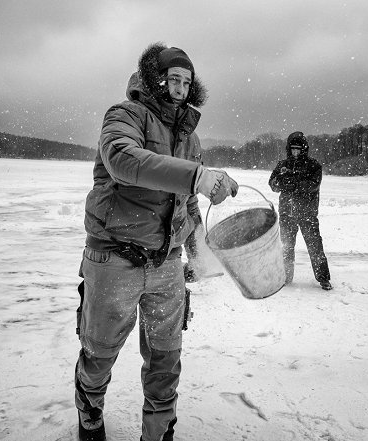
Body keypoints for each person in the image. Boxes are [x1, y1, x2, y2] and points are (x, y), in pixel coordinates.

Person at [75, 42, 238, 441]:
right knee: (99, 351)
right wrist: (197, 174)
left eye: (187, 81)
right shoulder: (125, 116)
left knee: (166, 355)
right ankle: (90, 409)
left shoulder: (189, 137)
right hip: (114, 258)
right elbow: (122, 160)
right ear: (156, 79)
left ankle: (159, 429)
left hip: (166, 264)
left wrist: (199, 251)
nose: (180, 87)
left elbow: (187, 202)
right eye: (173, 78)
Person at [268, 131, 332, 291]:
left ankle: (323, 278)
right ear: (289, 149)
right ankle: (285, 276)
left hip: (307, 214)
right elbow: (273, 184)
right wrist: (283, 183)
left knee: (315, 246)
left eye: (298, 149)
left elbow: (313, 185)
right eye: (293, 149)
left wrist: (295, 184)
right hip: (286, 214)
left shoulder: (313, 165)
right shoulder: (282, 165)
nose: (295, 152)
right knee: (286, 246)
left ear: (304, 149)